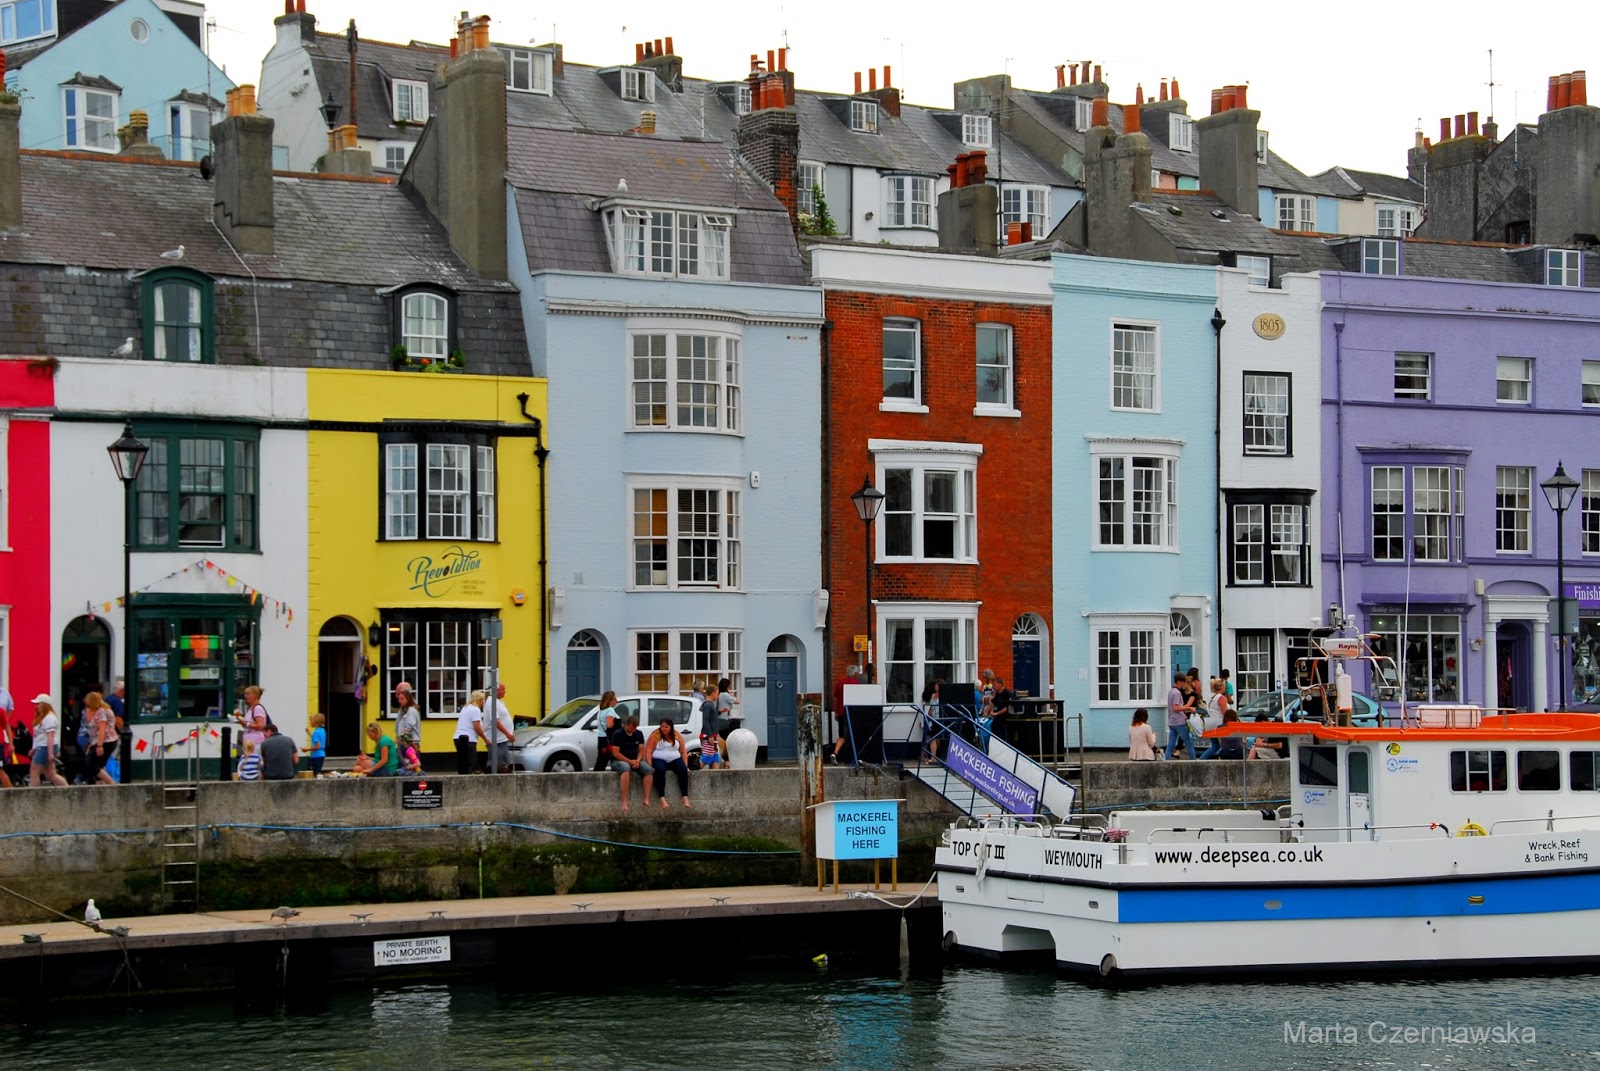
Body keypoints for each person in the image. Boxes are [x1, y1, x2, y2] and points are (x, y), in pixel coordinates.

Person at [608, 714, 654, 810]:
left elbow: (641, 750)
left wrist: (637, 760)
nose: (633, 730)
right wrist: (629, 761)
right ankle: (624, 801)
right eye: (631, 728)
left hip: (635, 759)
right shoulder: (618, 734)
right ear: (626, 724)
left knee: (648, 770)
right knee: (625, 769)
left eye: (635, 728)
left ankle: (646, 798)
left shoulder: (639, 734)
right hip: (620, 760)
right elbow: (616, 753)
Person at [645, 716, 691, 809]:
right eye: (662, 727)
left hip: (674, 758)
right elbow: (648, 751)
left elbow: (683, 751)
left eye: (666, 727)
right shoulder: (655, 735)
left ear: (671, 727)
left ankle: (685, 796)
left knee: (682, 769)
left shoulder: (676, 735)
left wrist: (685, 764)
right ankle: (662, 797)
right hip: (659, 759)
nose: (664, 729)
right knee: (660, 770)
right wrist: (650, 765)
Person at [29, 695, 67, 788]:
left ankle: (33, 793)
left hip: (45, 747)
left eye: (38, 704)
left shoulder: (49, 718)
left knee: (34, 771)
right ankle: (67, 789)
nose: (36, 706)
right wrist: (34, 748)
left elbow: (50, 736)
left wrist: (50, 753)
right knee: (50, 774)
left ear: (44, 704)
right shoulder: (45, 717)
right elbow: (39, 736)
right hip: (44, 746)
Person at [81, 691, 119, 785]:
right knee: (99, 765)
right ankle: (103, 783)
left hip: (104, 741)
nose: (87, 705)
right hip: (105, 741)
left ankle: (111, 782)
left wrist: (99, 746)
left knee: (90, 764)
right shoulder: (105, 709)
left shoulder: (101, 712)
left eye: (88, 702)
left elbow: (102, 729)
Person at [482, 682, 515, 773]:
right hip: (496, 740)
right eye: (503, 689)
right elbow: (495, 722)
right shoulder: (492, 702)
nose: (505, 692)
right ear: (496, 691)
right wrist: (508, 734)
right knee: (495, 764)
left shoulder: (498, 702)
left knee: (506, 763)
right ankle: (491, 778)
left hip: (502, 739)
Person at [452, 691, 488, 775]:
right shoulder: (475, 710)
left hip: (457, 737)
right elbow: (477, 727)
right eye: (482, 700)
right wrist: (485, 739)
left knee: (462, 762)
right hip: (469, 739)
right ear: (479, 700)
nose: (483, 702)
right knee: (471, 762)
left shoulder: (465, 708)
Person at [831, 664, 860, 764]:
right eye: (857, 673)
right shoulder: (856, 684)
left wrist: (836, 712)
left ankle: (835, 753)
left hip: (841, 713)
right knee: (854, 734)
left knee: (842, 736)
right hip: (852, 713)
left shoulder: (840, 683)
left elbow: (837, 699)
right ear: (855, 673)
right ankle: (853, 756)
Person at [236, 685, 269, 772]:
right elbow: (248, 725)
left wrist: (246, 723)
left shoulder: (258, 708)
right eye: (245, 694)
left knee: (254, 763)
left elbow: (260, 725)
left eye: (248, 694)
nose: (245, 696)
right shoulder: (250, 709)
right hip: (248, 741)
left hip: (256, 742)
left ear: (255, 695)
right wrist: (241, 721)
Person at [1197, 678, 1233, 759]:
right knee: (1224, 745)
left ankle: (1201, 760)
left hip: (1210, 724)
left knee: (1215, 746)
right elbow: (1225, 714)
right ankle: (1223, 760)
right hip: (1219, 725)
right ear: (1221, 687)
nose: (1225, 687)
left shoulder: (1211, 697)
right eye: (1224, 685)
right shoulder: (1222, 698)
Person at [1165, 672, 1198, 760]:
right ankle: (1193, 760)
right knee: (1188, 742)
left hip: (1172, 721)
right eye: (1183, 682)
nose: (1184, 684)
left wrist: (1183, 713)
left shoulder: (1171, 691)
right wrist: (1189, 708)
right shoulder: (1177, 693)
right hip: (1179, 722)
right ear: (1179, 682)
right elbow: (1176, 707)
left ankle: (1165, 760)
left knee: (1171, 743)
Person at [394, 682, 423, 757]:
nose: (399, 700)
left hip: (410, 743)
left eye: (401, 698)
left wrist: (397, 740)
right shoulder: (403, 709)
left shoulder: (411, 710)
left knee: (411, 763)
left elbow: (408, 727)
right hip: (404, 742)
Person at [988, 675, 1014, 749]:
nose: (993, 687)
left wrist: (997, 713)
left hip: (1005, 718)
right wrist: (987, 712)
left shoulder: (1007, 693)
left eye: (994, 685)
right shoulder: (997, 694)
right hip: (998, 718)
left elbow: (1008, 707)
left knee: (1003, 733)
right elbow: (993, 703)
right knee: (994, 727)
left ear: (999, 684)